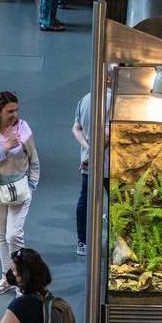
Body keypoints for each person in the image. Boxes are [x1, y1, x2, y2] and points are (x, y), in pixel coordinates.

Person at [0, 91, 41, 293]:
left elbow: (34, 160)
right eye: (10, 111)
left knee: (13, 235)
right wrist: (5, 147)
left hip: (19, 190)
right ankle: (7, 277)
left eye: (16, 110)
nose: (14, 114)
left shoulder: (24, 130)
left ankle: (21, 279)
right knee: (1, 234)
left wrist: (31, 186)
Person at [71, 92, 90, 255]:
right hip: (106, 163)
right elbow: (106, 135)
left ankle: (82, 242)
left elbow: (76, 128)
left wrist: (87, 150)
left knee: (84, 198)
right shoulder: (113, 100)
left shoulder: (84, 99)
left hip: (87, 163)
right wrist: (92, 153)